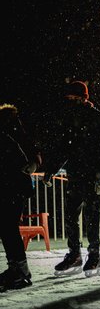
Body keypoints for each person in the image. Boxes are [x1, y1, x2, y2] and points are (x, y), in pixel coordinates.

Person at [43, 81, 100, 277]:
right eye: (69, 99)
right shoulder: (69, 117)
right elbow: (64, 147)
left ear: (84, 98)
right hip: (75, 176)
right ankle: (74, 254)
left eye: (75, 98)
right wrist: (51, 170)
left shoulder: (97, 117)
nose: (71, 102)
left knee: (92, 217)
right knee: (71, 216)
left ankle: (94, 255)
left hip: (92, 176)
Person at [0, 104, 42, 292]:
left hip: (13, 187)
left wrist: (33, 163)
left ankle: (21, 272)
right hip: (11, 186)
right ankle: (16, 268)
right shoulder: (13, 132)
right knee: (7, 228)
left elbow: (32, 152)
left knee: (8, 227)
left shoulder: (11, 133)